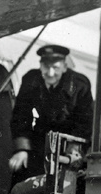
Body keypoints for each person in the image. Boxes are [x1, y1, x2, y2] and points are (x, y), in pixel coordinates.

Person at [8, 44, 94, 180]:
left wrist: (74, 149)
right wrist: (22, 149)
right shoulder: (31, 80)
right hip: (41, 138)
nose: (50, 73)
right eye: (46, 67)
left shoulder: (80, 85)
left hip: (68, 140)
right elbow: (21, 117)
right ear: (40, 65)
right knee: (22, 175)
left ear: (65, 67)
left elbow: (85, 122)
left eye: (55, 67)